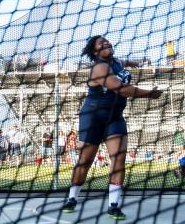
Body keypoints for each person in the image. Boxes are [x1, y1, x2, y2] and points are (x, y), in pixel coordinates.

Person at [62, 35, 163, 219]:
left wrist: (138, 61)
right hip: (93, 118)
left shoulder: (116, 61)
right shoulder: (99, 67)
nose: (106, 43)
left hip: (115, 117)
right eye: (101, 43)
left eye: (107, 41)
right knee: (85, 162)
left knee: (118, 160)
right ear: (95, 51)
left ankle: (113, 205)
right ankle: (72, 198)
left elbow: (124, 62)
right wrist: (150, 94)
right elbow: (122, 89)